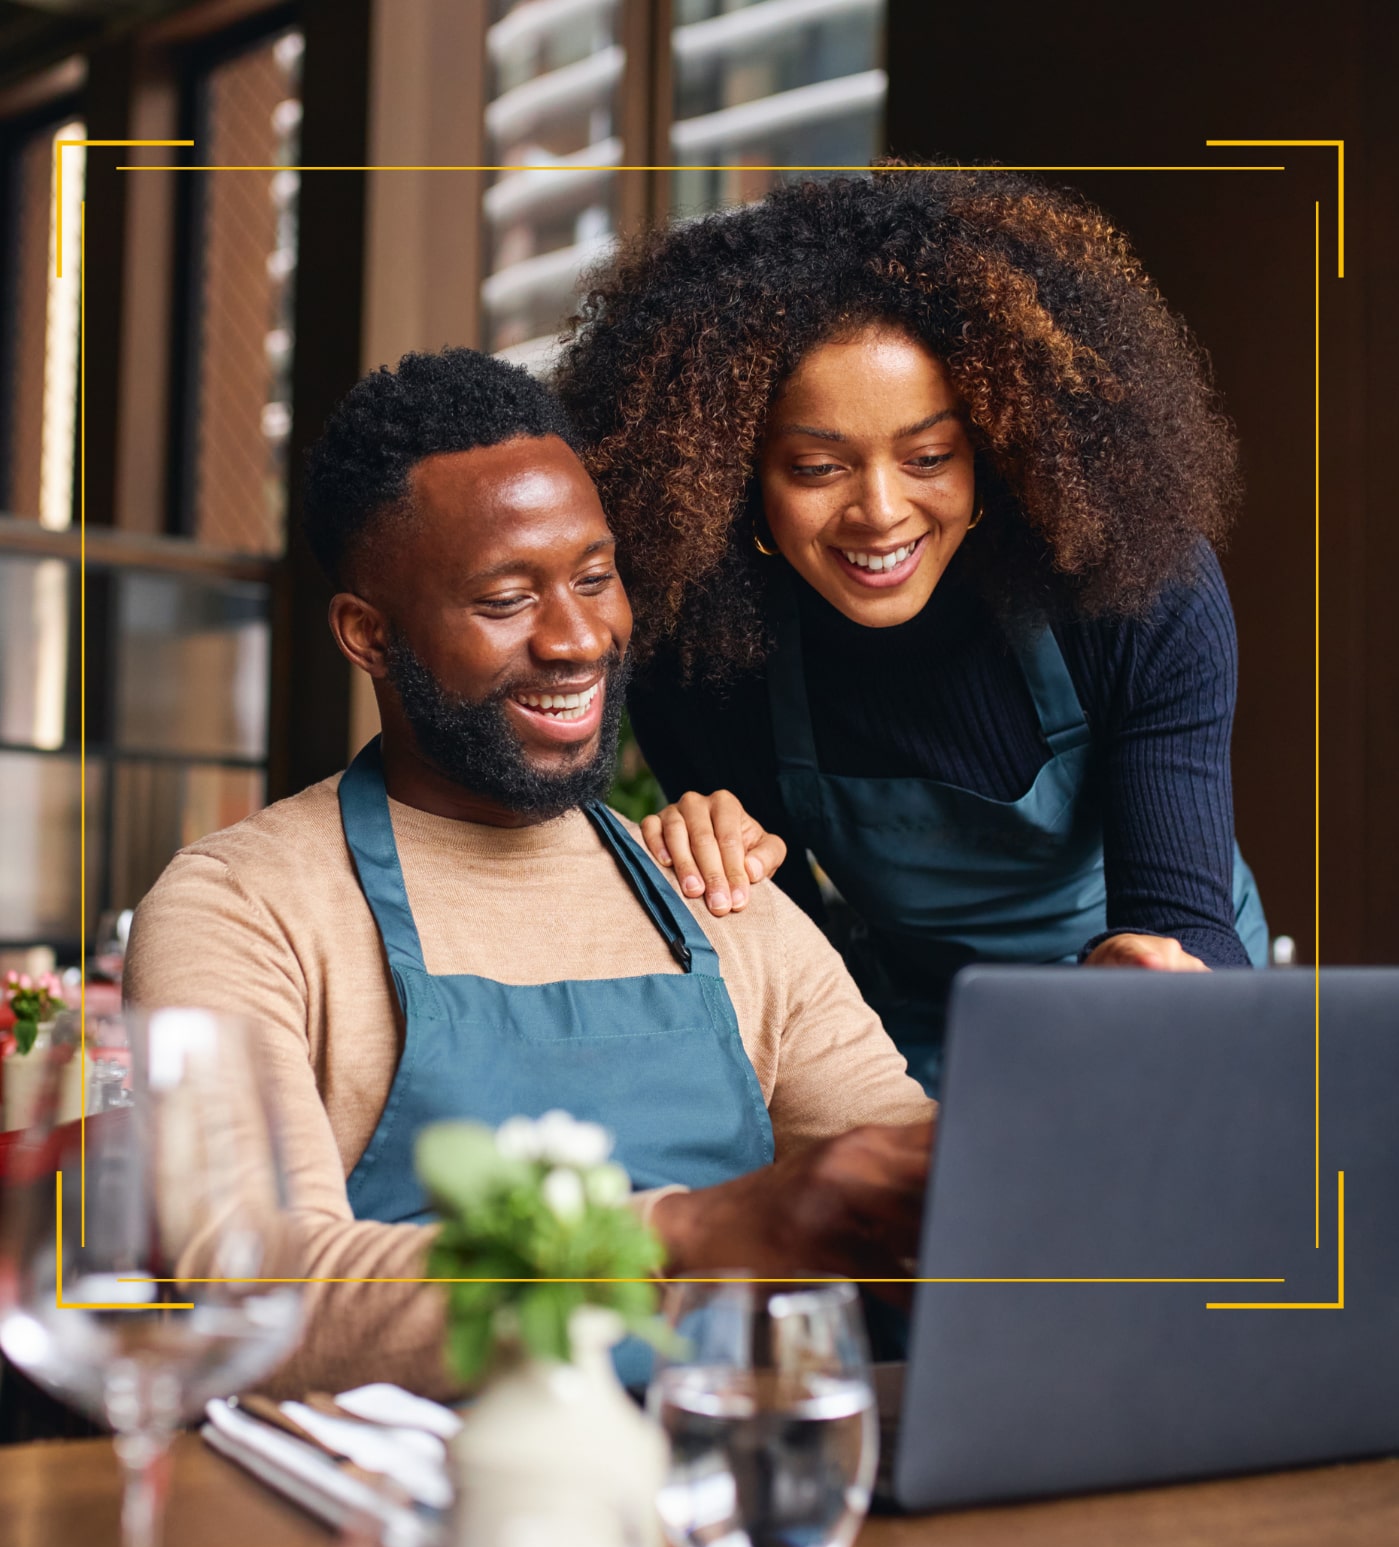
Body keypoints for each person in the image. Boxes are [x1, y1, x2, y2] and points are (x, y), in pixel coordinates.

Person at [124, 348, 932, 1400]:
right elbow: (257, 1285)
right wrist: (687, 1229)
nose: (577, 638)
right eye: (507, 598)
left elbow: (911, 1194)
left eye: (595, 577)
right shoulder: (242, 907)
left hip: (729, 1499)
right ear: (368, 635)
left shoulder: (717, 888)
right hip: (398, 1536)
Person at [555, 166, 1270, 1094]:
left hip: (1158, 1006)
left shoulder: (1133, 590)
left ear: (997, 446)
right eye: (817, 468)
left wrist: (1158, 977)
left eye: (930, 456)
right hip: (916, 1031)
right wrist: (711, 867)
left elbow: (1187, 918)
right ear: (735, 481)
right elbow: (794, 972)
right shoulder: (703, 651)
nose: (881, 514)